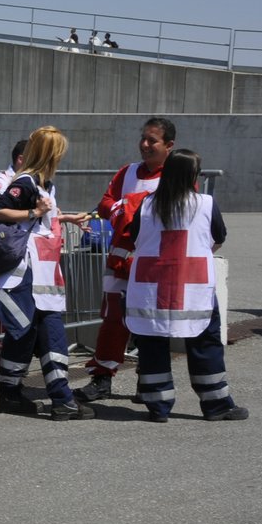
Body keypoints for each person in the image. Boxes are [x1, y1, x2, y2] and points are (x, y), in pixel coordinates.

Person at [120, 149, 246, 422]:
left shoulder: (147, 205)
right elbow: (218, 238)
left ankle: (158, 407)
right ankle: (216, 405)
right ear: (193, 176)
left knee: (152, 344)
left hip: (150, 288)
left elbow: (134, 238)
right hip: (192, 288)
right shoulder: (205, 203)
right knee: (205, 343)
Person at [0, 127, 93, 419]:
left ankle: (12, 394)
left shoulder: (41, 183)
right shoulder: (27, 180)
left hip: (42, 275)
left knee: (25, 335)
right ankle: (61, 398)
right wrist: (35, 213)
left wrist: (62, 217)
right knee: (48, 333)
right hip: (29, 274)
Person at [75, 117, 176, 402]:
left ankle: (149, 383)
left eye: (152, 141)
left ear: (169, 145)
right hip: (120, 261)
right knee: (113, 320)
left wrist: (133, 205)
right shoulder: (127, 172)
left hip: (155, 265)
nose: (144, 145)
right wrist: (128, 206)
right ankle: (102, 378)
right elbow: (106, 203)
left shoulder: (176, 175)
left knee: (153, 324)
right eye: (143, 138)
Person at [0, 139, 30, 371]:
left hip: (15, 249)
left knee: (10, 305)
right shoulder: (2, 181)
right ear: (21, 159)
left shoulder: (24, 181)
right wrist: (34, 211)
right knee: (5, 304)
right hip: (2, 249)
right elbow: (3, 212)